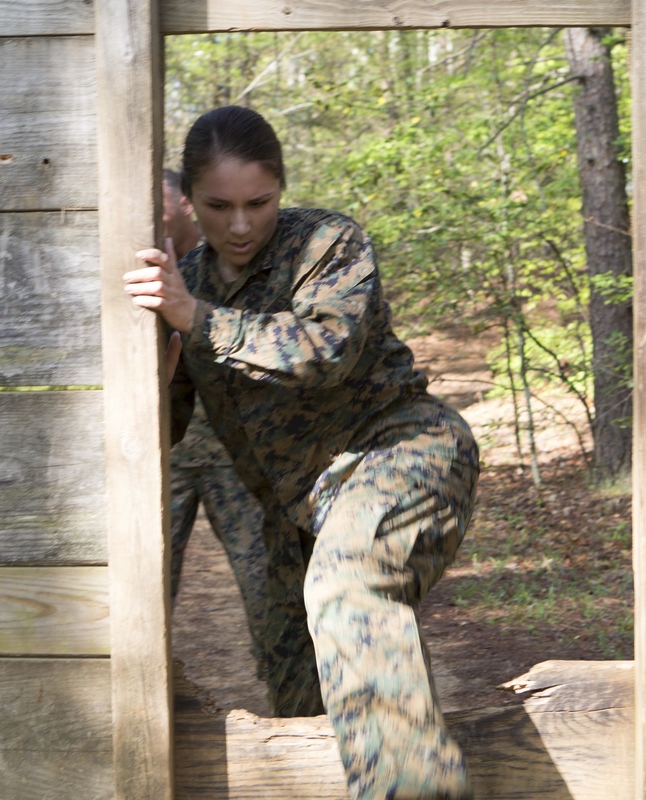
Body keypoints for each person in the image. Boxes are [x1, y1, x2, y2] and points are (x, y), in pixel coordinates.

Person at [125, 106, 478, 800]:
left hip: (401, 453)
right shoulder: (185, 280)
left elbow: (326, 352)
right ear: (188, 202)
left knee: (348, 589)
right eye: (217, 205)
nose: (238, 225)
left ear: (281, 190)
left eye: (258, 202)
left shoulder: (327, 241)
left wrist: (195, 319)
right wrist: (155, 376)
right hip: (297, 509)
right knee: (299, 682)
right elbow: (168, 427)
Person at [162, 168, 268, 681]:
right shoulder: (135, 265)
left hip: (235, 458)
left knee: (269, 595)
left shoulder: (230, 263)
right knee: (147, 591)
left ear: (184, 203)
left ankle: (298, 720)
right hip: (169, 458)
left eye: (161, 204)